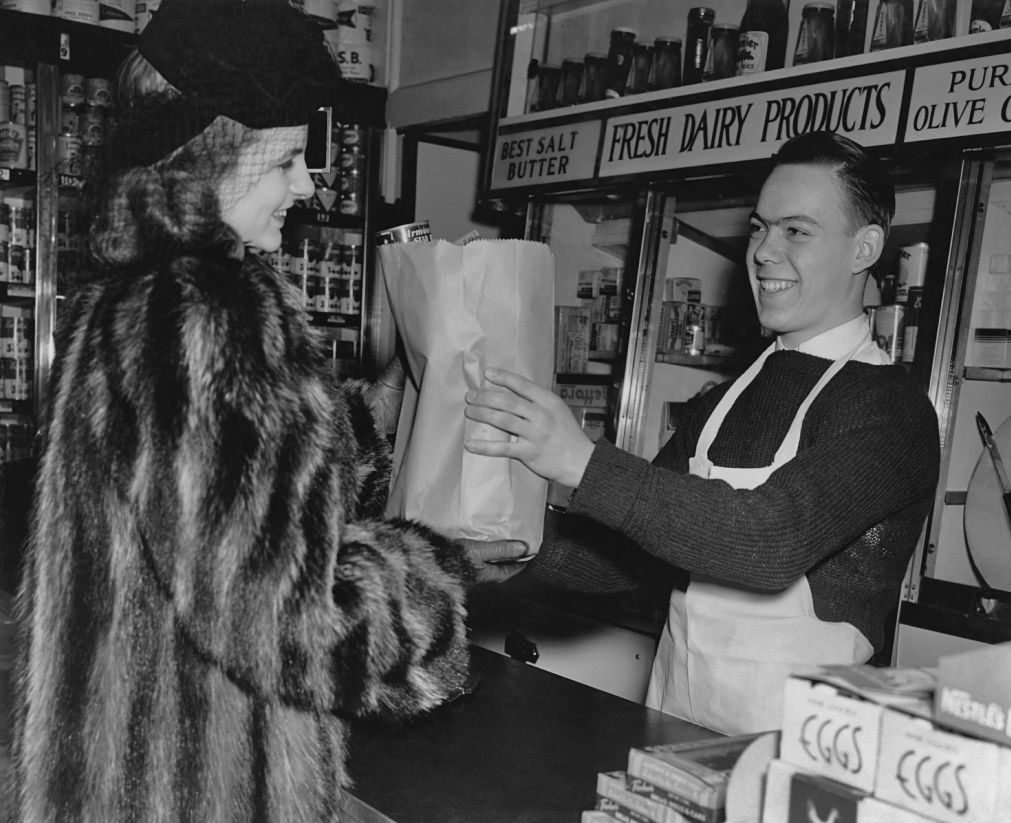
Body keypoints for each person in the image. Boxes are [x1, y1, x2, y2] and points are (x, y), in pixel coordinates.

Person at [12, 2, 523, 821]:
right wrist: (436, 573)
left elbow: (214, 488)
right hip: (200, 786)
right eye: (286, 159)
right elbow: (282, 623)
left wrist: (370, 413)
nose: (309, 184)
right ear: (206, 158)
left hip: (117, 773)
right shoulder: (207, 311)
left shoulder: (125, 301)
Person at [464, 131, 940, 736]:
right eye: (760, 228)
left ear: (864, 247)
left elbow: (769, 541)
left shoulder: (891, 409)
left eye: (797, 230)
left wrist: (582, 463)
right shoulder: (723, 400)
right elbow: (627, 564)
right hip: (676, 725)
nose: (765, 251)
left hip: (798, 751)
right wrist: (511, 550)